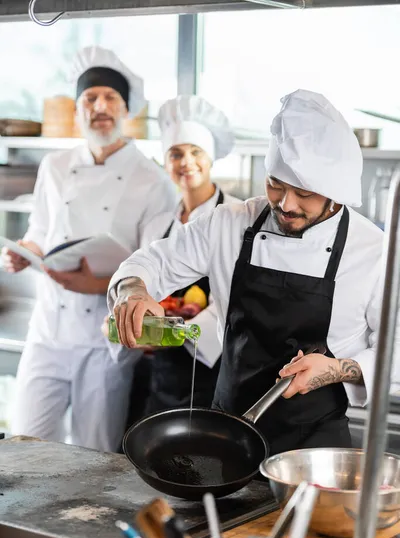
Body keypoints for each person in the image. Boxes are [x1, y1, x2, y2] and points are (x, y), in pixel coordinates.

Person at [108, 89, 400, 456]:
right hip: (226, 435)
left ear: (336, 193)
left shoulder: (374, 251)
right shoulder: (230, 223)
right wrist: (133, 291)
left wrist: (339, 368)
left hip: (313, 449)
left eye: (304, 192)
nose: (286, 204)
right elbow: (150, 262)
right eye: (276, 185)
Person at [2, 46, 177, 452]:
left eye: (110, 97)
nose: (100, 106)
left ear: (126, 108)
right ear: (78, 110)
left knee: (92, 456)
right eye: (90, 98)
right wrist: (21, 253)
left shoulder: (152, 180)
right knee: (24, 449)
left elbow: (156, 269)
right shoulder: (55, 167)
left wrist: (94, 285)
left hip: (106, 339)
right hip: (47, 331)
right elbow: (40, 232)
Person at [139, 95, 240, 414]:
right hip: (165, 369)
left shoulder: (237, 217)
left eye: (196, 152)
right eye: (176, 154)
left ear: (210, 158)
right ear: (165, 162)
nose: (186, 162)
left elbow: (240, 296)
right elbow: (148, 286)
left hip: (218, 362)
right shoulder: (157, 224)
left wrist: (182, 331)